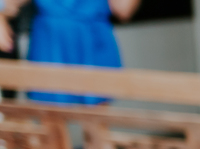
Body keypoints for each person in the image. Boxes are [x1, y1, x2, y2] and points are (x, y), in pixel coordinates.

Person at [5, 0, 140, 104]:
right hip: (52, 41)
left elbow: (123, 10)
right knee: (53, 123)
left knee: (94, 124)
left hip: (90, 39)